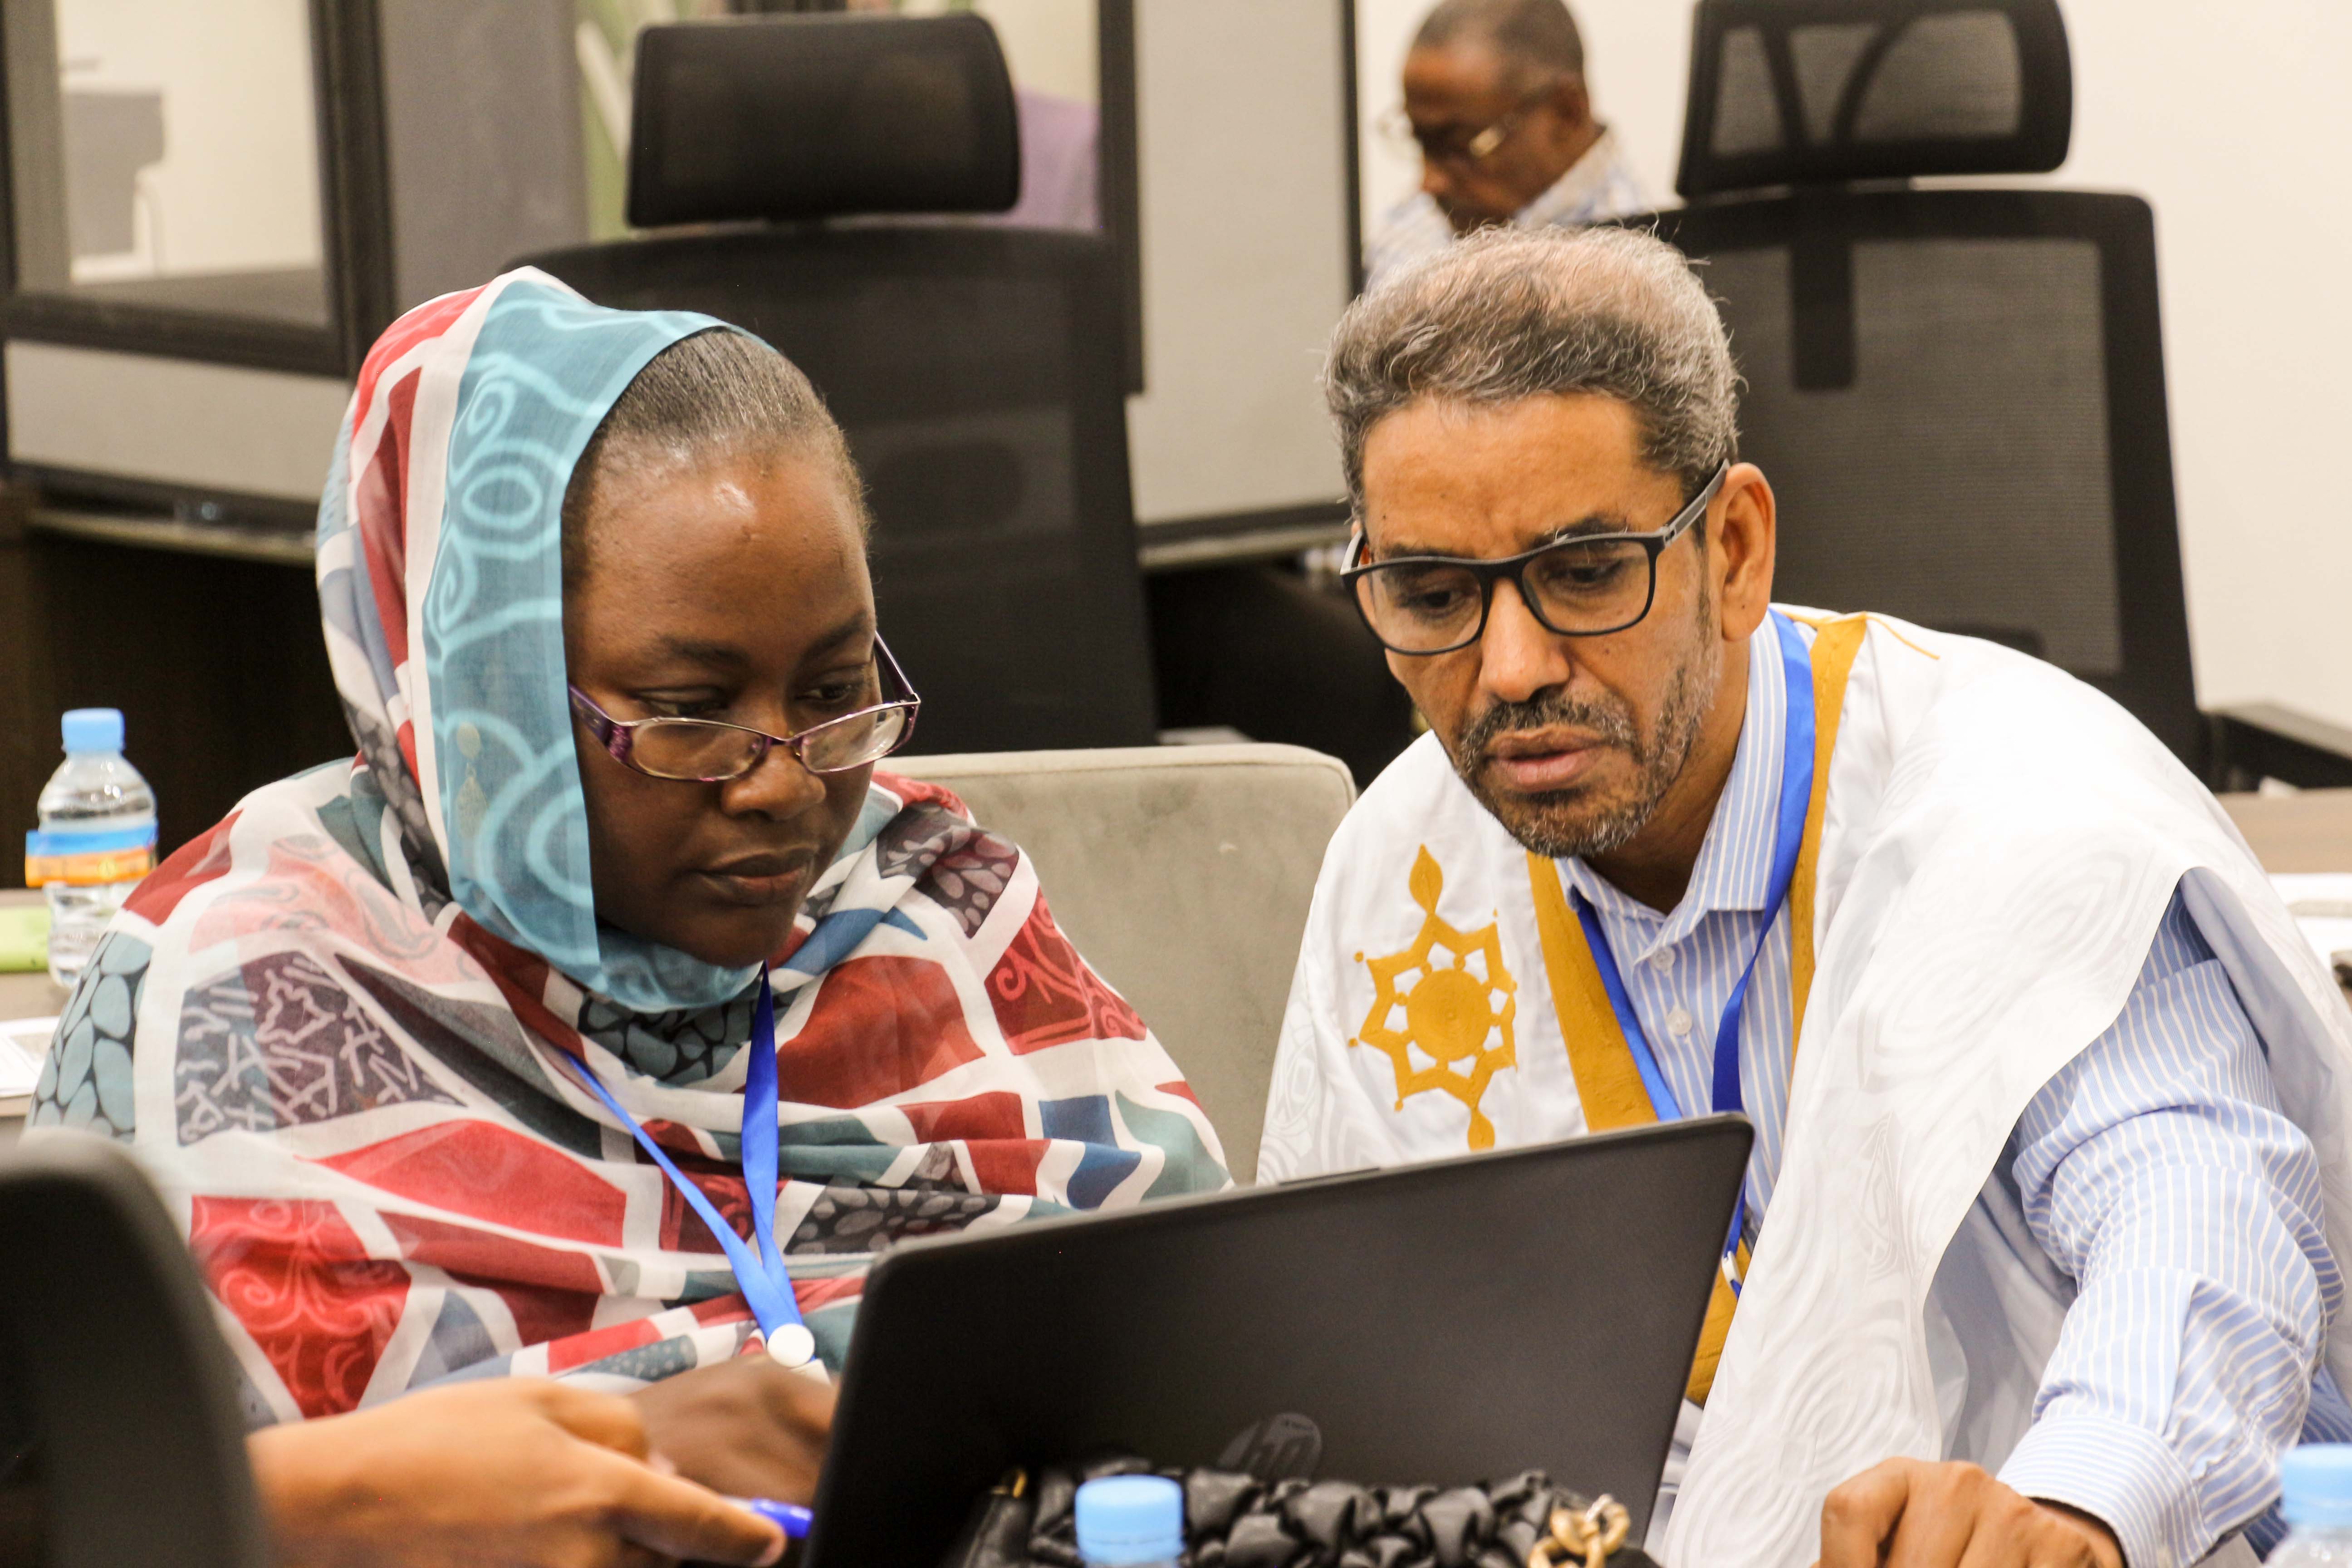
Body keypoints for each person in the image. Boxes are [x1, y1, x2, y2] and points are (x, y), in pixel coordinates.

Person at [27, 269, 1226, 1558]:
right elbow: (101, 1508)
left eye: (834, 690)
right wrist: (636, 1438)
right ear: (499, 701)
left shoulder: (932, 895)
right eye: (691, 713)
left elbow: (1210, 1325)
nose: (782, 781)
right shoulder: (241, 981)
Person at [1259, 226, 2352, 1568]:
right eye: (1431, 594)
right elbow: (1331, 1364)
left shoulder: (2014, 806)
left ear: (1733, 546)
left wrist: (2077, 1500)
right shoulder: (1400, 860)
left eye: (1587, 571)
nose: (1510, 668)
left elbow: (2191, 1197)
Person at [1364, 0, 1646, 294]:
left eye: (1460, 148)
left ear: (1567, 113)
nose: (1428, 183)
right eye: (1422, 142)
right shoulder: (1405, 228)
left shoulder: (1639, 274)